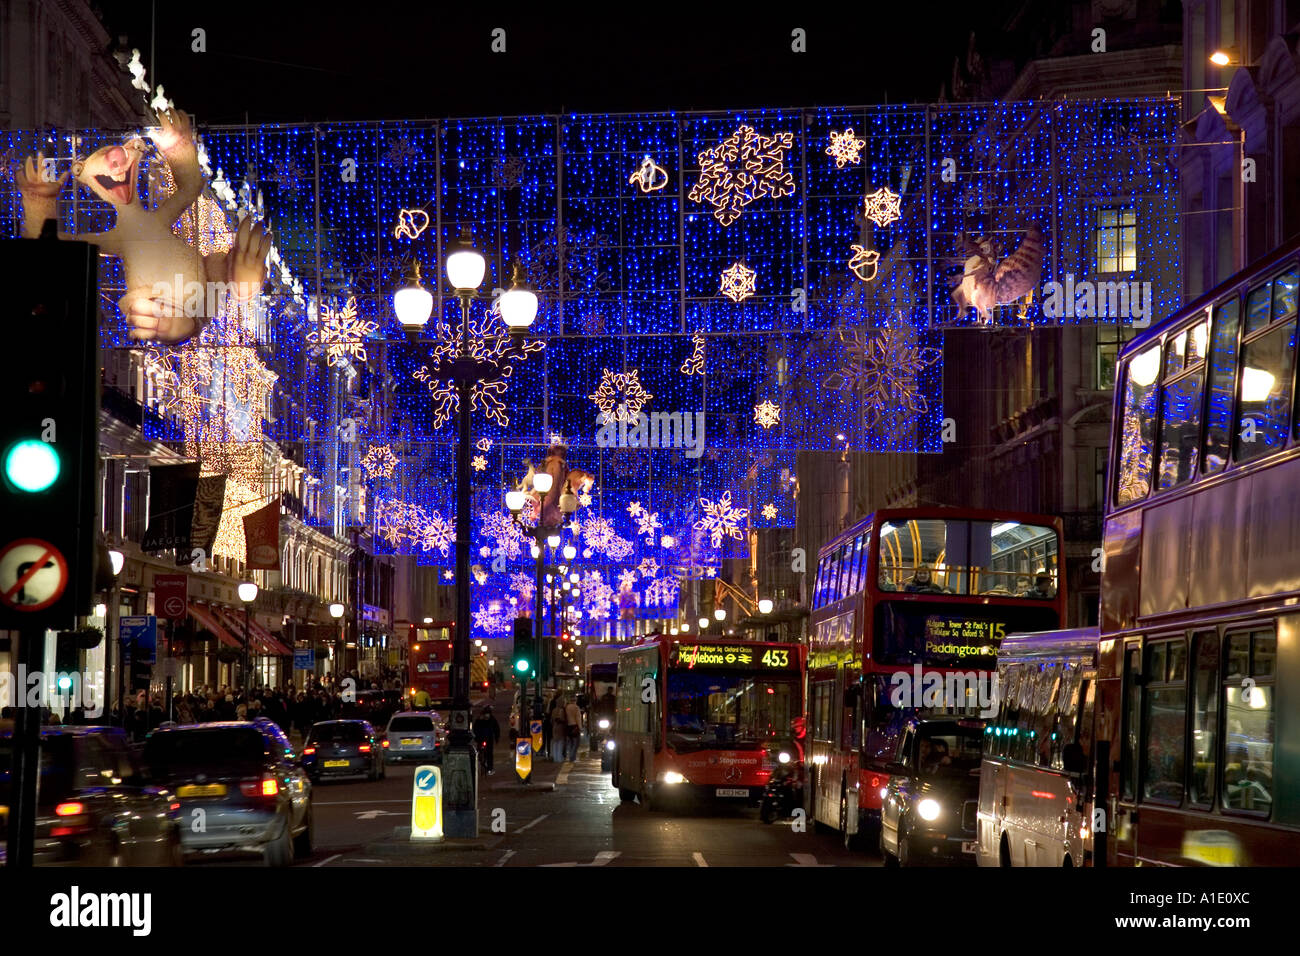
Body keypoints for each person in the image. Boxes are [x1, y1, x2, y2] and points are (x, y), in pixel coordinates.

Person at [473, 705, 501, 774]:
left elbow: (475, 728)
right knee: (489, 754)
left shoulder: (479, 718)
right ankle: (490, 768)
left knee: (480, 750)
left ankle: (480, 758)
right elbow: (496, 729)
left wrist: (476, 737)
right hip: (489, 738)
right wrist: (497, 738)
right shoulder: (492, 719)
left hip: (480, 738)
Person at [564, 695, 582, 762]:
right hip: (575, 726)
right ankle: (572, 757)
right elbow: (578, 718)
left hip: (568, 726)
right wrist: (580, 727)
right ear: (575, 700)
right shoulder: (576, 707)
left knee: (570, 742)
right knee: (576, 743)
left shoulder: (567, 707)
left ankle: (570, 756)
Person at [550, 695, 568, 762]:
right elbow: (562, 719)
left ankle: (555, 758)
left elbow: (551, 720)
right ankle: (559, 758)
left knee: (555, 743)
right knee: (560, 743)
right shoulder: (562, 710)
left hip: (554, 727)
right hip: (560, 728)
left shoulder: (554, 710)